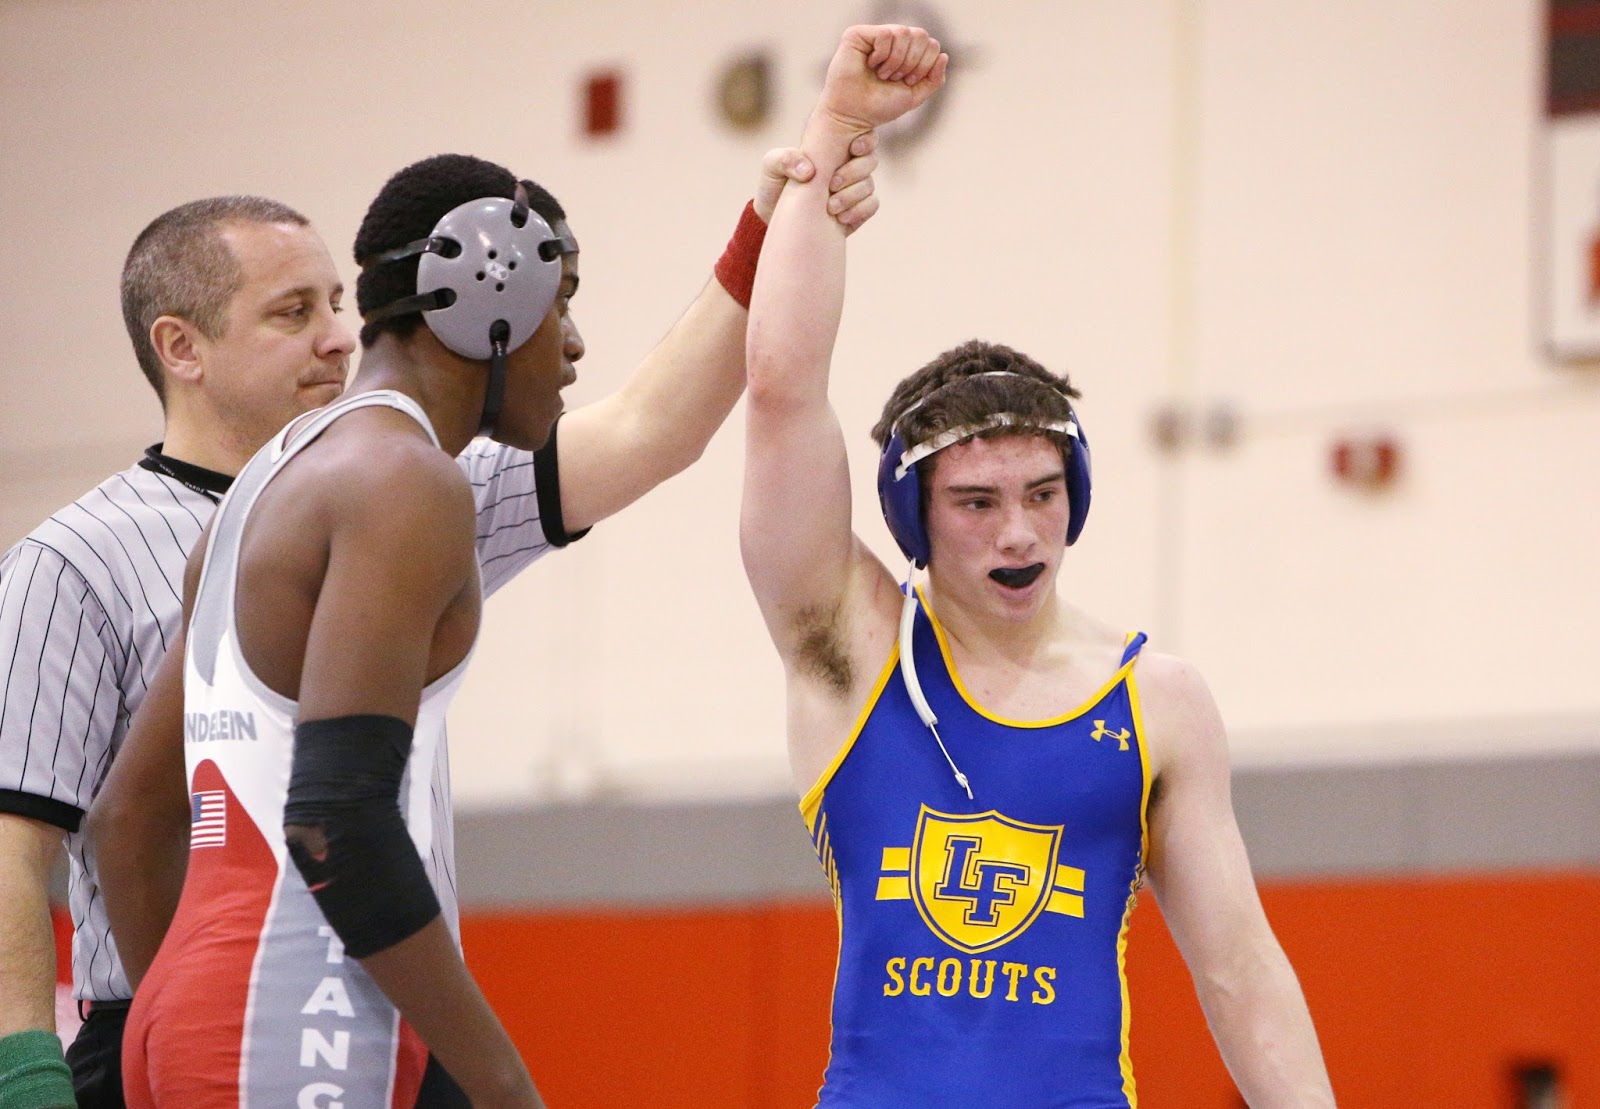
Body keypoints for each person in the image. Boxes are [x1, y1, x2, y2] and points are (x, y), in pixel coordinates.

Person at [0, 142, 880, 1107]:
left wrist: (179, 1009)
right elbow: (336, 821)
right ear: (482, 298)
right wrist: (499, 1079)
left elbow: (134, 819)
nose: (577, 343)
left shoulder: (265, 489)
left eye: (334, 304)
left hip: (208, 1008)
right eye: (565, 301)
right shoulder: (396, 484)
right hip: (305, 1000)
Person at [740, 24, 1338, 1107]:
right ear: (912, 517)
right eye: (976, 502)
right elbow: (782, 388)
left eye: (1042, 495)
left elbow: (1239, 968)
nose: (1019, 532)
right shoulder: (852, 642)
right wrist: (834, 130)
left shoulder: (1156, 699)